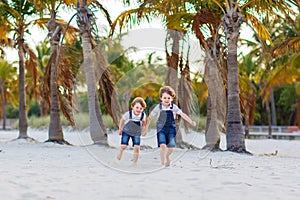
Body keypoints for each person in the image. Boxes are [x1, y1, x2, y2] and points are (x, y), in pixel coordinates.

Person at [146, 86, 196, 167]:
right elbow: (150, 117)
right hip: (161, 128)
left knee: (171, 147)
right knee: (162, 145)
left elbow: (182, 114)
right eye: (164, 98)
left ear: (172, 99)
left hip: (171, 129)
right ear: (161, 98)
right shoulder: (158, 107)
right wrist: (145, 126)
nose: (166, 100)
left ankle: (167, 156)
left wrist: (191, 121)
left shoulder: (173, 107)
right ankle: (162, 163)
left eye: (168, 98)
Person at [117, 97, 147, 165]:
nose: (139, 110)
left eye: (141, 108)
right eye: (137, 107)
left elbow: (144, 123)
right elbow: (122, 120)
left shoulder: (143, 115)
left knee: (137, 147)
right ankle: (119, 156)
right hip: (126, 131)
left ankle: (135, 162)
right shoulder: (128, 114)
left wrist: (144, 130)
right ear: (132, 107)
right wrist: (120, 129)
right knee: (123, 146)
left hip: (136, 132)